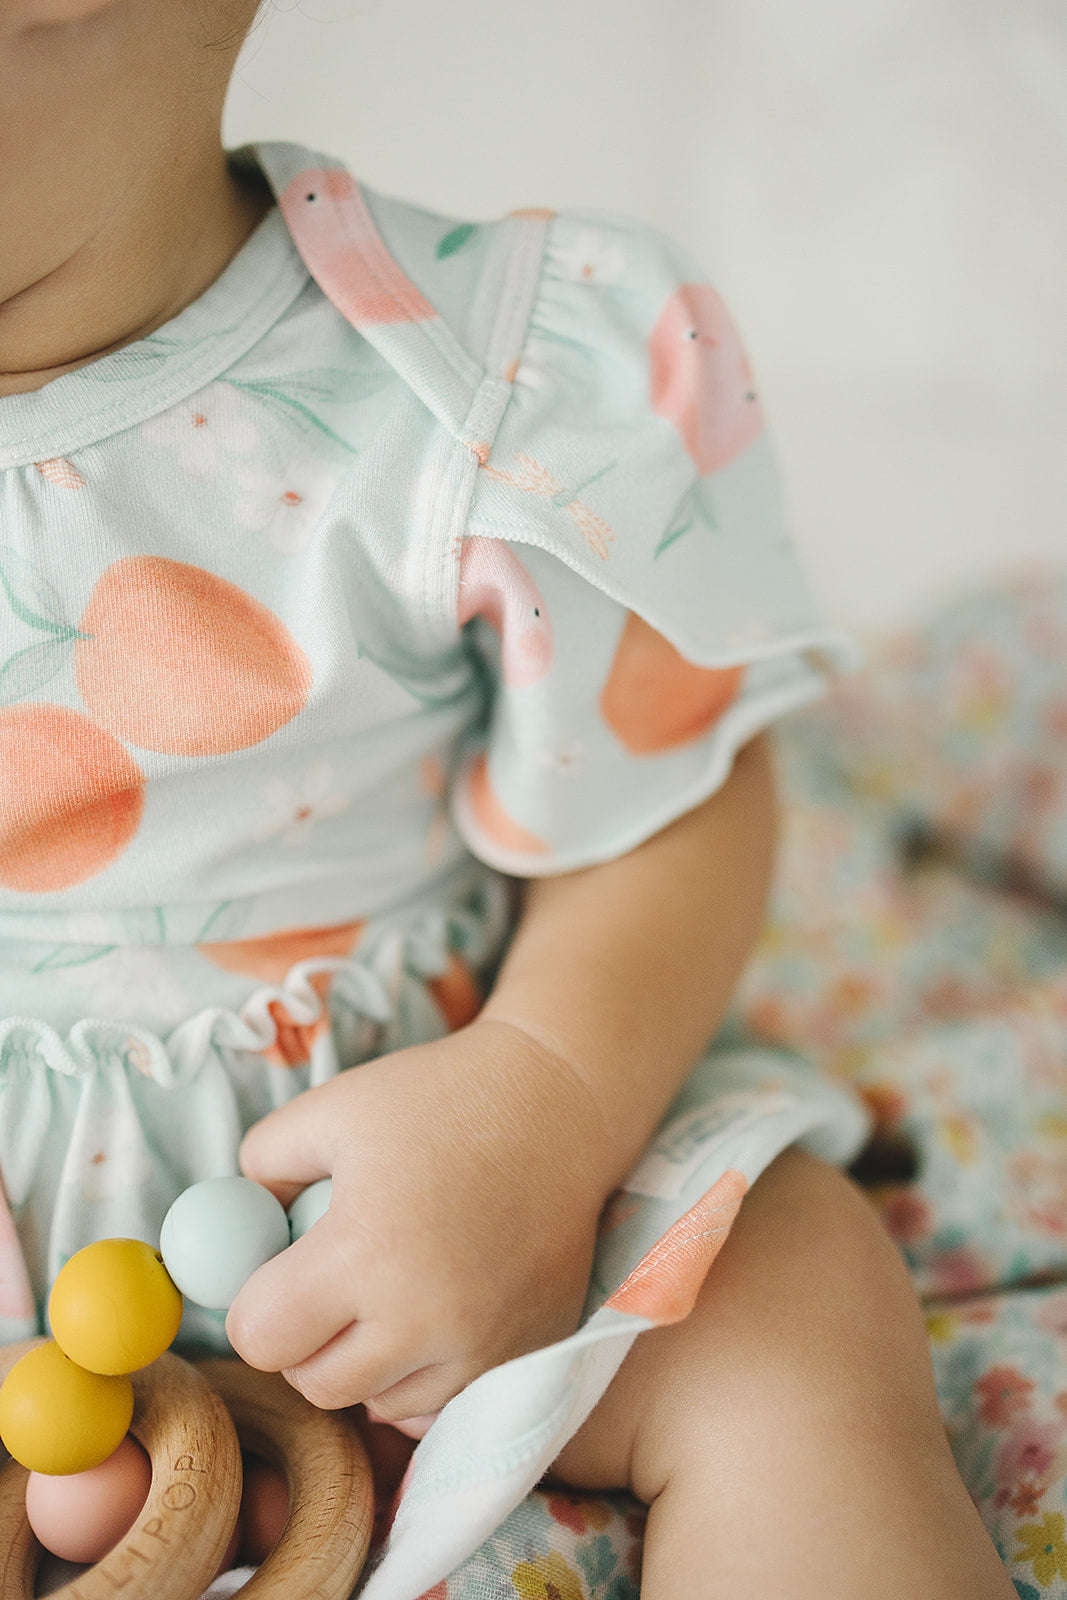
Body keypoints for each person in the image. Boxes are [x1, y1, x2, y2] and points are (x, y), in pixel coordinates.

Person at [0, 3, 1015, 1595]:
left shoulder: (467, 394)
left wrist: (544, 1103)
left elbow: (668, 793)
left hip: (438, 1164)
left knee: (787, 1293)